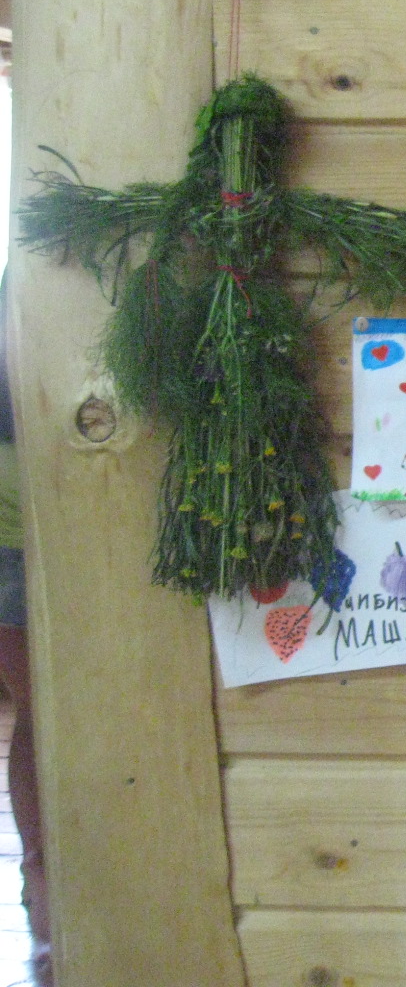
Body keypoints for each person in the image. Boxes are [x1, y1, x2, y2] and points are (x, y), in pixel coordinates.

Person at [0, 275, 48, 985]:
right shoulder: (25, 284)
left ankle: (46, 902)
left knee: (44, 719)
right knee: (44, 717)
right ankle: (44, 902)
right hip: (12, 536)